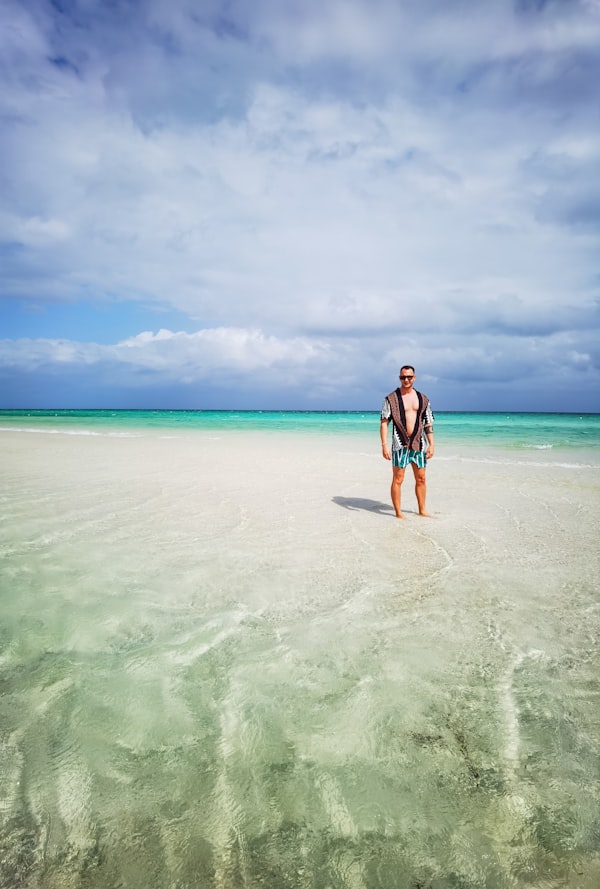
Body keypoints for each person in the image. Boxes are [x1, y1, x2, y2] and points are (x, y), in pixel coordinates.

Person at [380, 366, 435, 518]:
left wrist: (432, 444)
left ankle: (422, 510)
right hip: (399, 444)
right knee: (398, 479)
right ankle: (398, 513)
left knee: (421, 478)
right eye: (403, 377)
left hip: (419, 444)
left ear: (414, 378)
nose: (406, 380)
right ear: (399, 378)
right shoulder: (391, 399)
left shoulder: (423, 398)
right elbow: (384, 422)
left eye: (409, 377)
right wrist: (384, 445)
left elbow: (428, 422)